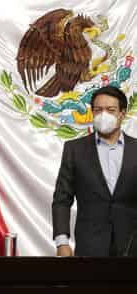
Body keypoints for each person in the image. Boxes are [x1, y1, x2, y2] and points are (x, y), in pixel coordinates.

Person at [52, 85, 137, 256]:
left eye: (110, 110)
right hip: (90, 247)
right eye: (98, 110)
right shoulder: (74, 149)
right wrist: (62, 242)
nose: (103, 115)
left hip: (132, 247)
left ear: (122, 113)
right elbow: (62, 199)